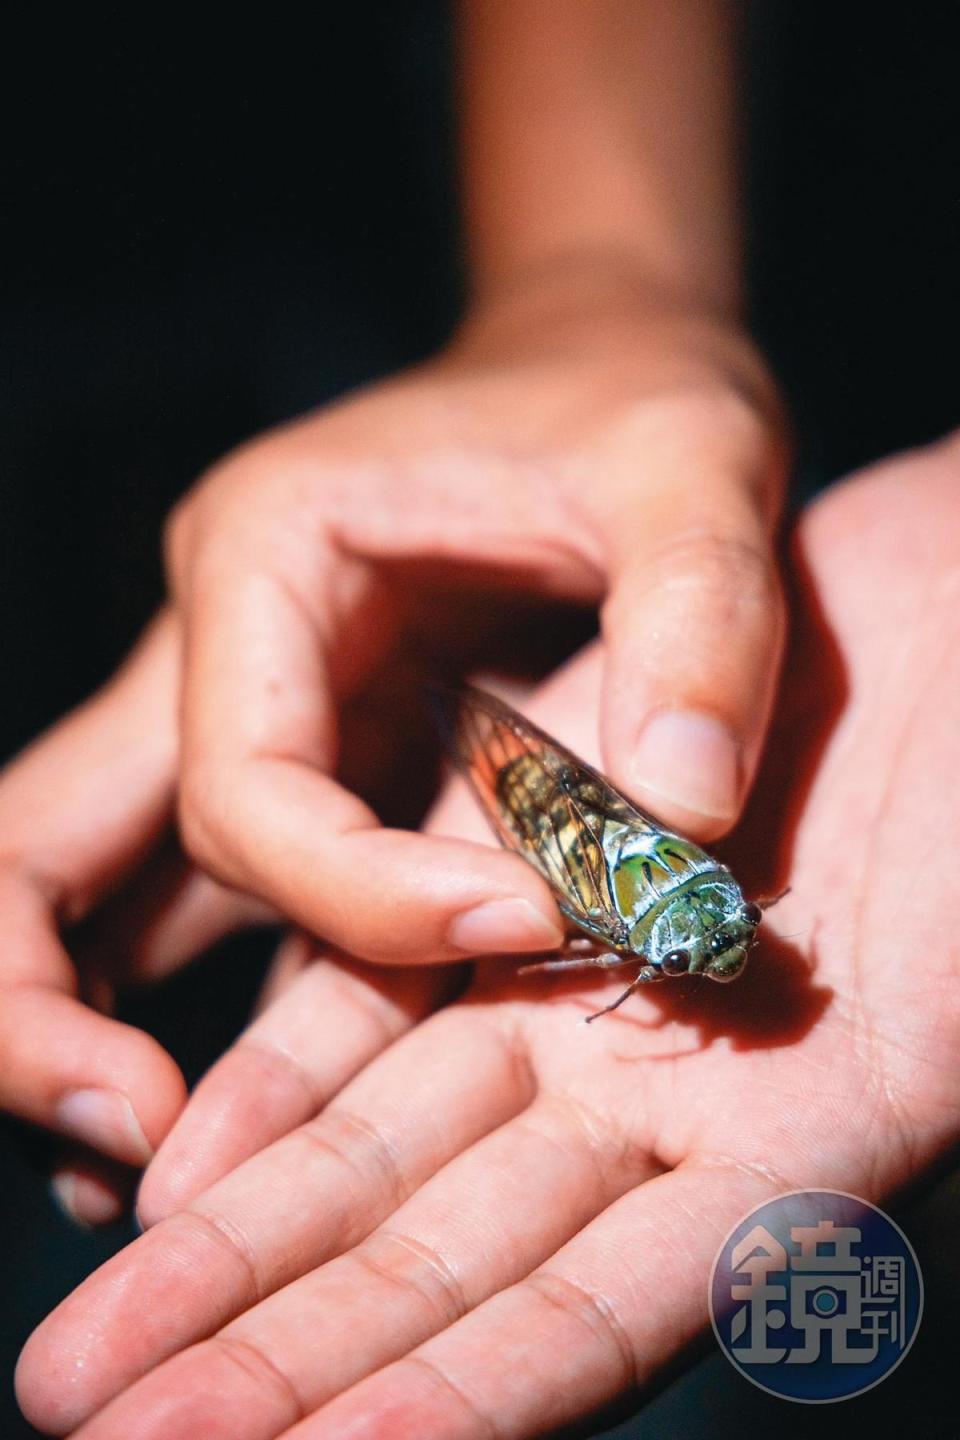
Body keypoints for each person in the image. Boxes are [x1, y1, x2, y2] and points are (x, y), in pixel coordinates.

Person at [8, 4, 960, 1437]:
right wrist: (602, 285)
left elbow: (646, 938)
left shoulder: (692, 931)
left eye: (722, 933)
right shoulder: (688, 923)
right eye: (720, 927)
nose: (726, 944)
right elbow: (643, 931)